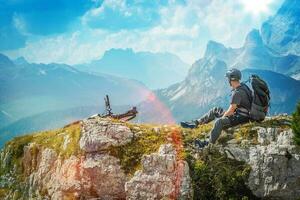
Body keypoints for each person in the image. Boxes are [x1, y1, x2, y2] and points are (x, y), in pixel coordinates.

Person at [180, 68, 252, 148]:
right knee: (215, 110)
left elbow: (231, 110)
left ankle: (208, 144)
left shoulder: (237, 93)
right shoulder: (243, 86)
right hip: (241, 114)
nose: (227, 80)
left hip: (241, 117)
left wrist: (224, 117)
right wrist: (224, 114)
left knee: (219, 122)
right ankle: (196, 123)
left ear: (231, 79)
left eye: (228, 78)